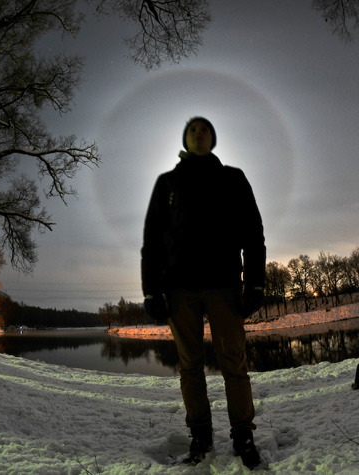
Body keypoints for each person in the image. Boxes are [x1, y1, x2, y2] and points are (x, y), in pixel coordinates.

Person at [141, 117, 266, 468]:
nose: (199, 133)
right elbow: (152, 240)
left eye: (205, 129)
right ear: (185, 138)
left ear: (213, 139)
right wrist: (152, 291)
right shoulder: (167, 183)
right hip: (179, 290)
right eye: (193, 129)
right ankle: (201, 435)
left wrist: (255, 282)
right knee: (190, 367)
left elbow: (253, 232)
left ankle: (242, 433)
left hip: (225, 285)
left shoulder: (233, 178)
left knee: (234, 364)